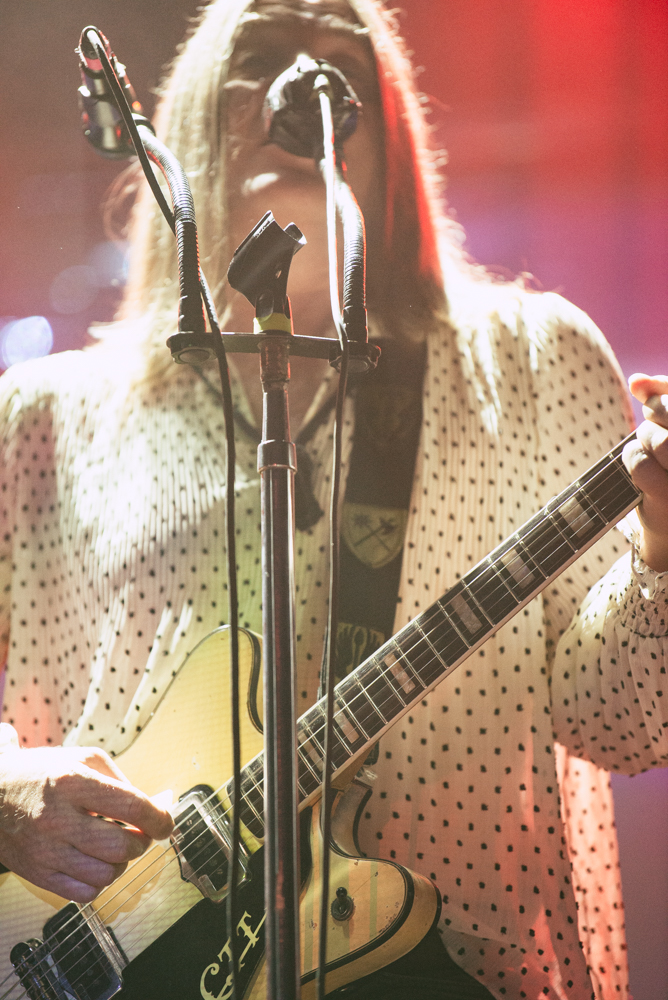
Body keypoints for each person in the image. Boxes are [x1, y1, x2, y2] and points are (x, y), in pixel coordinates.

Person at [0, 1, 667, 997]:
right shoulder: (41, 415)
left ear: (386, 138)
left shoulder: (532, 360)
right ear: (185, 117)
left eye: (340, 71)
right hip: (109, 961)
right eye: (263, 58)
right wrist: (7, 796)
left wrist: (660, 542)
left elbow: (621, 724)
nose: (305, 84)